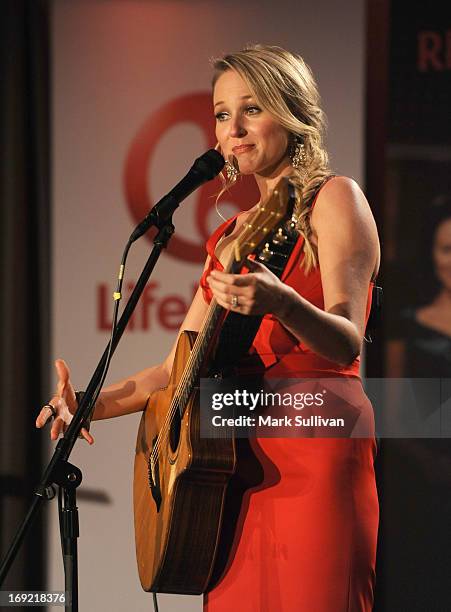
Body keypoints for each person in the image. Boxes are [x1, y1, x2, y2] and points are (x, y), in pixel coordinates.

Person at [36, 45, 380, 611]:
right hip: (229, 465)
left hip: (315, 444)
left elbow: (346, 336)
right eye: (222, 114)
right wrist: (87, 406)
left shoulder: (335, 198)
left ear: (290, 112)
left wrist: (283, 301)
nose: (234, 128)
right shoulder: (232, 236)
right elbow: (175, 369)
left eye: (252, 108)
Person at [380, 198, 451, 610]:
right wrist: (429, 463)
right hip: (423, 487)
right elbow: (391, 416)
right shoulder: (407, 324)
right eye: (446, 249)